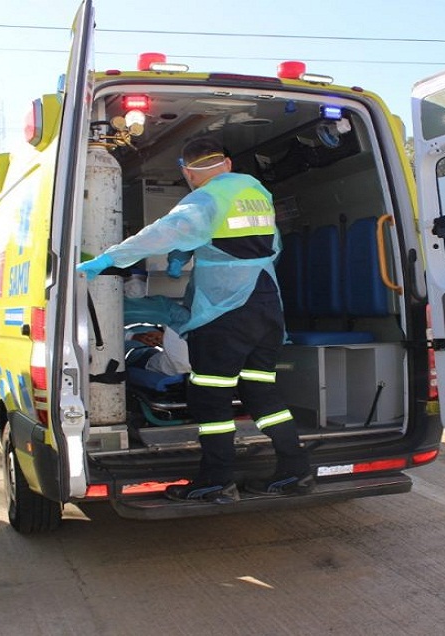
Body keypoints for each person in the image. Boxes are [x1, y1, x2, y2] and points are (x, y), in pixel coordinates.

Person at [77, 136, 312, 504]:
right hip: (267, 306)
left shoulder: (205, 198)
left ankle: (217, 481)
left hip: (226, 312)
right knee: (261, 392)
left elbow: (163, 232)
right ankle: (295, 469)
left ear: (187, 172)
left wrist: (109, 259)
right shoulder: (256, 192)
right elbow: (263, 243)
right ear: (228, 164)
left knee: (210, 397)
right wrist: (186, 250)